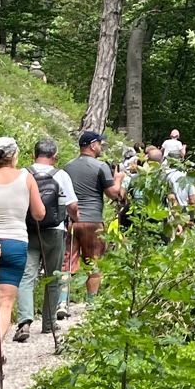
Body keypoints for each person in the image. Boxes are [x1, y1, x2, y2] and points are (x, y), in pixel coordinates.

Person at [0, 136, 44, 382]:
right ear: (15, 155)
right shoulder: (26, 178)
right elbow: (39, 212)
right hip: (14, 243)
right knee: (5, 303)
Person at [17, 137, 74, 341]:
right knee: (53, 276)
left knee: (26, 276)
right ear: (55, 157)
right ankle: (49, 323)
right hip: (55, 230)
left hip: (28, 229)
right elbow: (72, 205)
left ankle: (24, 321)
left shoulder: (23, 174)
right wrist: (74, 218)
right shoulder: (62, 176)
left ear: (34, 155)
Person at [62, 128, 117, 300]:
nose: (101, 147)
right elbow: (113, 193)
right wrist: (119, 179)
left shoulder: (67, 167)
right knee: (94, 265)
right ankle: (91, 302)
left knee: (67, 263)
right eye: (99, 143)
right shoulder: (101, 166)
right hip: (93, 221)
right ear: (93, 146)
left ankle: (61, 303)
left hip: (71, 221)